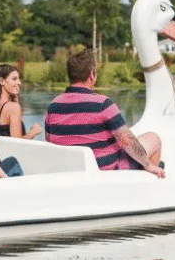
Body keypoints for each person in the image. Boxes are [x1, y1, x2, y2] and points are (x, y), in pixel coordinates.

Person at [45, 49, 165, 178]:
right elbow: (126, 141)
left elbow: (49, 140)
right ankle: (149, 187)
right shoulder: (102, 104)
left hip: (70, 172)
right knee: (154, 139)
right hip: (106, 173)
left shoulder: (53, 106)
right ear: (92, 75)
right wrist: (147, 164)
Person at [0, 64, 42, 139]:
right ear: (1, 81)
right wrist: (32, 133)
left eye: (18, 79)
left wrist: (15, 100)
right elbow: (16, 142)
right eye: (14, 79)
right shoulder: (13, 107)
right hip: (7, 150)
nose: (19, 83)